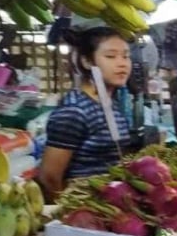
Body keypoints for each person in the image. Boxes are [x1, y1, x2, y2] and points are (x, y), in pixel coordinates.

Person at [39, 26, 133, 198]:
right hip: (83, 206)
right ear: (87, 62)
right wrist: (68, 210)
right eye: (110, 56)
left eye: (126, 56)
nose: (122, 63)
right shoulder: (74, 111)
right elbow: (49, 177)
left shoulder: (112, 105)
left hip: (112, 205)